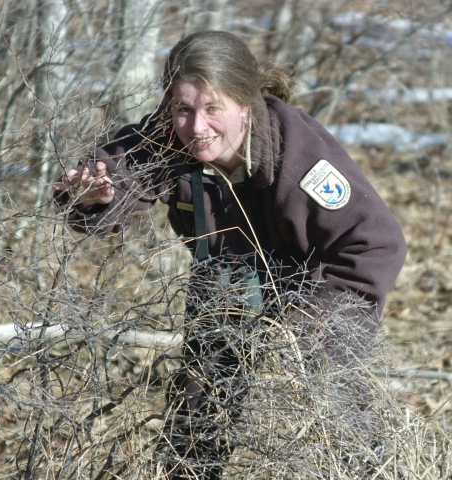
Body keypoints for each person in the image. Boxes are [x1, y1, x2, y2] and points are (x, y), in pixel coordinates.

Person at [54, 31, 407, 479]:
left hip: (312, 297)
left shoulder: (298, 153)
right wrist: (94, 197)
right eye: (183, 108)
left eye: (212, 108)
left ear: (245, 102)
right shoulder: (171, 134)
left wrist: (310, 334)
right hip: (221, 291)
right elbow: (118, 173)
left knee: (340, 430)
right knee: (193, 433)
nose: (196, 127)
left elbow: (375, 243)